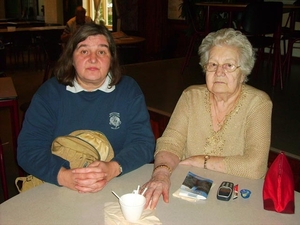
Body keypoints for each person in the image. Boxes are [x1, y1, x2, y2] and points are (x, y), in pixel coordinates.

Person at [141, 28, 272, 209]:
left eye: (229, 65)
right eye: (213, 65)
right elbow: (170, 142)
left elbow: (255, 166)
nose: (219, 72)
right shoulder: (191, 96)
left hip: (239, 197)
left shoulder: (258, 103)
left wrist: (201, 161)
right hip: (188, 192)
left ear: (243, 73)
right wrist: (161, 175)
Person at [17, 23, 155, 193]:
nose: (93, 58)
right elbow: (28, 150)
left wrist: (113, 168)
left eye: (102, 51)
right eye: (84, 51)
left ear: (111, 59)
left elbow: (144, 143)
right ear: (71, 59)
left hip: (116, 184)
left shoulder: (128, 90)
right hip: (59, 186)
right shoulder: (49, 94)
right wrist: (64, 176)